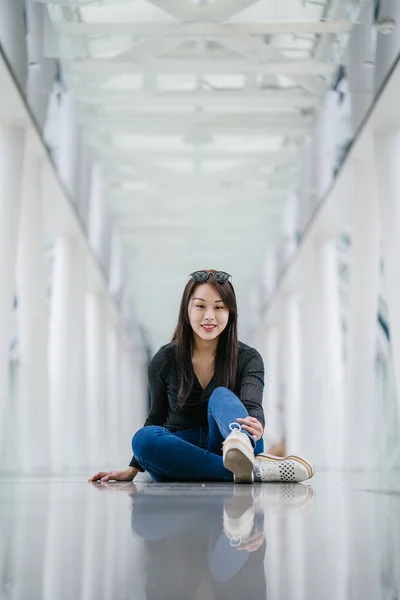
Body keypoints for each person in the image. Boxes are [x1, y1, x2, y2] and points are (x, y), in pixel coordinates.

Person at [89, 269, 314, 484]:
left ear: (230, 313)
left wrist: (256, 426)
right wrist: (132, 469)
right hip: (180, 449)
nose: (209, 316)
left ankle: (240, 455)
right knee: (143, 439)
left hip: (235, 443)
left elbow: (252, 406)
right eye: (200, 306)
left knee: (222, 395)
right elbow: (156, 415)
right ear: (186, 310)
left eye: (219, 307)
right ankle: (254, 471)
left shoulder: (248, 358)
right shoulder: (165, 359)